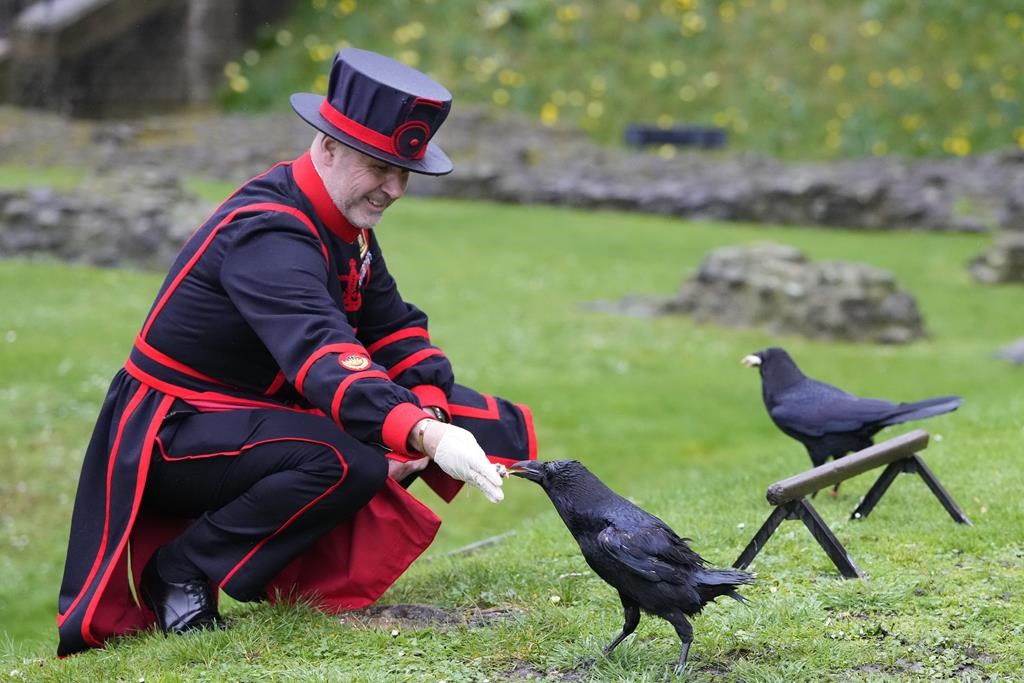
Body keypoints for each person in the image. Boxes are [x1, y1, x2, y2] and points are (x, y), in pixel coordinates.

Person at [56, 47, 537, 656]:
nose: (393, 188)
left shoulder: (342, 221)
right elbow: (321, 353)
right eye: (377, 165)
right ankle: (182, 568)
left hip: (246, 415)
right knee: (346, 460)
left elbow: (394, 328)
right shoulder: (269, 231)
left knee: (484, 423)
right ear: (328, 145)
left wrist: (432, 411)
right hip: (172, 432)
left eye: (404, 170)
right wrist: (421, 438)